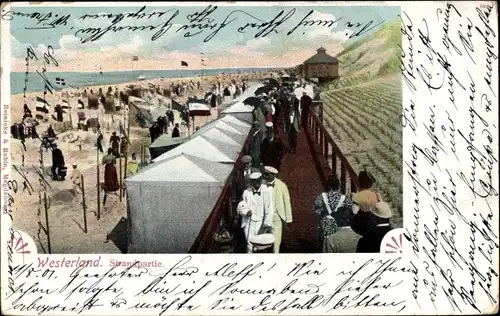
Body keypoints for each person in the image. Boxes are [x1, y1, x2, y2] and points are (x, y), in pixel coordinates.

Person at [313, 175, 360, 253]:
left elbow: (317, 211)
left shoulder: (321, 196)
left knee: (324, 246)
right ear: (338, 186)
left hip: (325, 223)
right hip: (339, 223)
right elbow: (350, 210)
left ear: (328, 186)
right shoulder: (344, 198)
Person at [238, 172, 273, 253]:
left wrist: (266, 225)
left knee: (259, 246)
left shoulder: (266, 191)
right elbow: (240, 206)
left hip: (261, 222)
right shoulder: (246, 192)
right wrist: (246, 212)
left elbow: (269, 209)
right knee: (249, 243)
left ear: (261, 180)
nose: (256, 183)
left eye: (258, 181)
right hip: (249, 222)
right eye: (254, 181)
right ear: (251, 182)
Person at [264, 166, 292, 253]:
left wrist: (289, 219)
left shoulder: (282, 186)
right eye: (265, 174)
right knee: (263, 241)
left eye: (267, 174)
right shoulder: (262, 184)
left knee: (276, 241)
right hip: (264, 217)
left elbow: (286, 202)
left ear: (273, 175)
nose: (266, 176)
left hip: (277, 217)